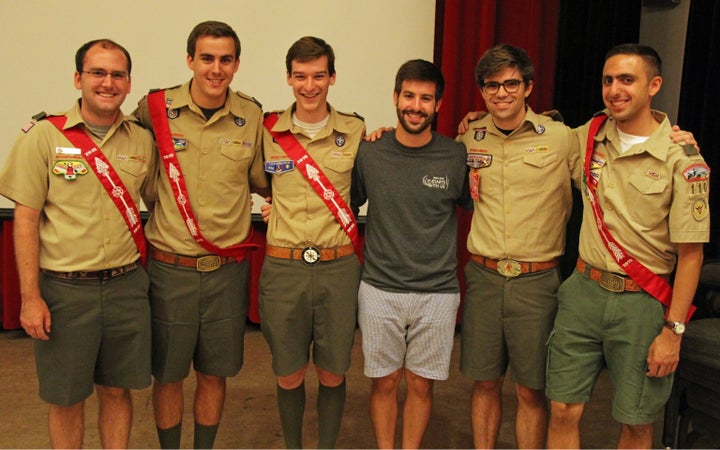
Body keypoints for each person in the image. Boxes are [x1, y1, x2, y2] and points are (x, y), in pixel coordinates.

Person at [545, 43, 710, 448]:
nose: (615, 89)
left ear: (654, 85)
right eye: (608, 80)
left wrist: (673, 331)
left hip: (642, 305)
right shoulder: (588, 136)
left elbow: (691, 255)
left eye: (627, 80)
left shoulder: (683, 159)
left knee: (635, 420)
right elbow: (534, 129)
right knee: (563, 408)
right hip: (582, 292)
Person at [0, 39, 157, 448]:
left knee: (118, 391)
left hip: (126, 288)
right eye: (97, 73)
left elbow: (163, 203)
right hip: (65, 291)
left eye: (117, 74)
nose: (108, 82)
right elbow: (26, 220)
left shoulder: (142, 141)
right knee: (67, 399)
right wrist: (30, 297)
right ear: (78, 79)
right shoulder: (44, 137)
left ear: (128, 83)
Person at [133, 21, 269, 449]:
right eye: (207, 58)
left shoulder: (252, 115)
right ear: (190, 59)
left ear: (237, 64)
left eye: (225, 60)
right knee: (169, 375)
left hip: (226, 272)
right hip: (171, 270)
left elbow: (264, 179)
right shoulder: (154, 108)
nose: (216, 69)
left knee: (214, 372)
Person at [454, 44, 581, 449]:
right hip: (485, 278)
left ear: (528, 86)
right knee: (485, 382)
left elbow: (605, 185)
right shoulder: (468, 137)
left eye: (511, 83)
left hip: (537, 282)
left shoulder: (563, 139)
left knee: (530, 390)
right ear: (482, 91)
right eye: (492, 85)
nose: (502, 93)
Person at [352, 59, 472, 449]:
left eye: (425, 98)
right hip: (380, 288)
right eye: (408, 96)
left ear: (438, 104)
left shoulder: (456, 155)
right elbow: (344, 203)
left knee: (421, 385)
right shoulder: (370, 153)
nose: (415, 106)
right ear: (395, 97)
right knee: (384, 382)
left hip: (437, 291)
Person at [259, 36, 365, 449]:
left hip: (338, 266)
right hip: (284, 267)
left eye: (318, 75)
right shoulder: (267, 130)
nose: (309, 86)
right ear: (288, 77)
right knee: (288, 371)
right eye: (300, 76)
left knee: (333, 371)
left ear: (332, 77)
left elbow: (367, 185)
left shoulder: (356, 131)